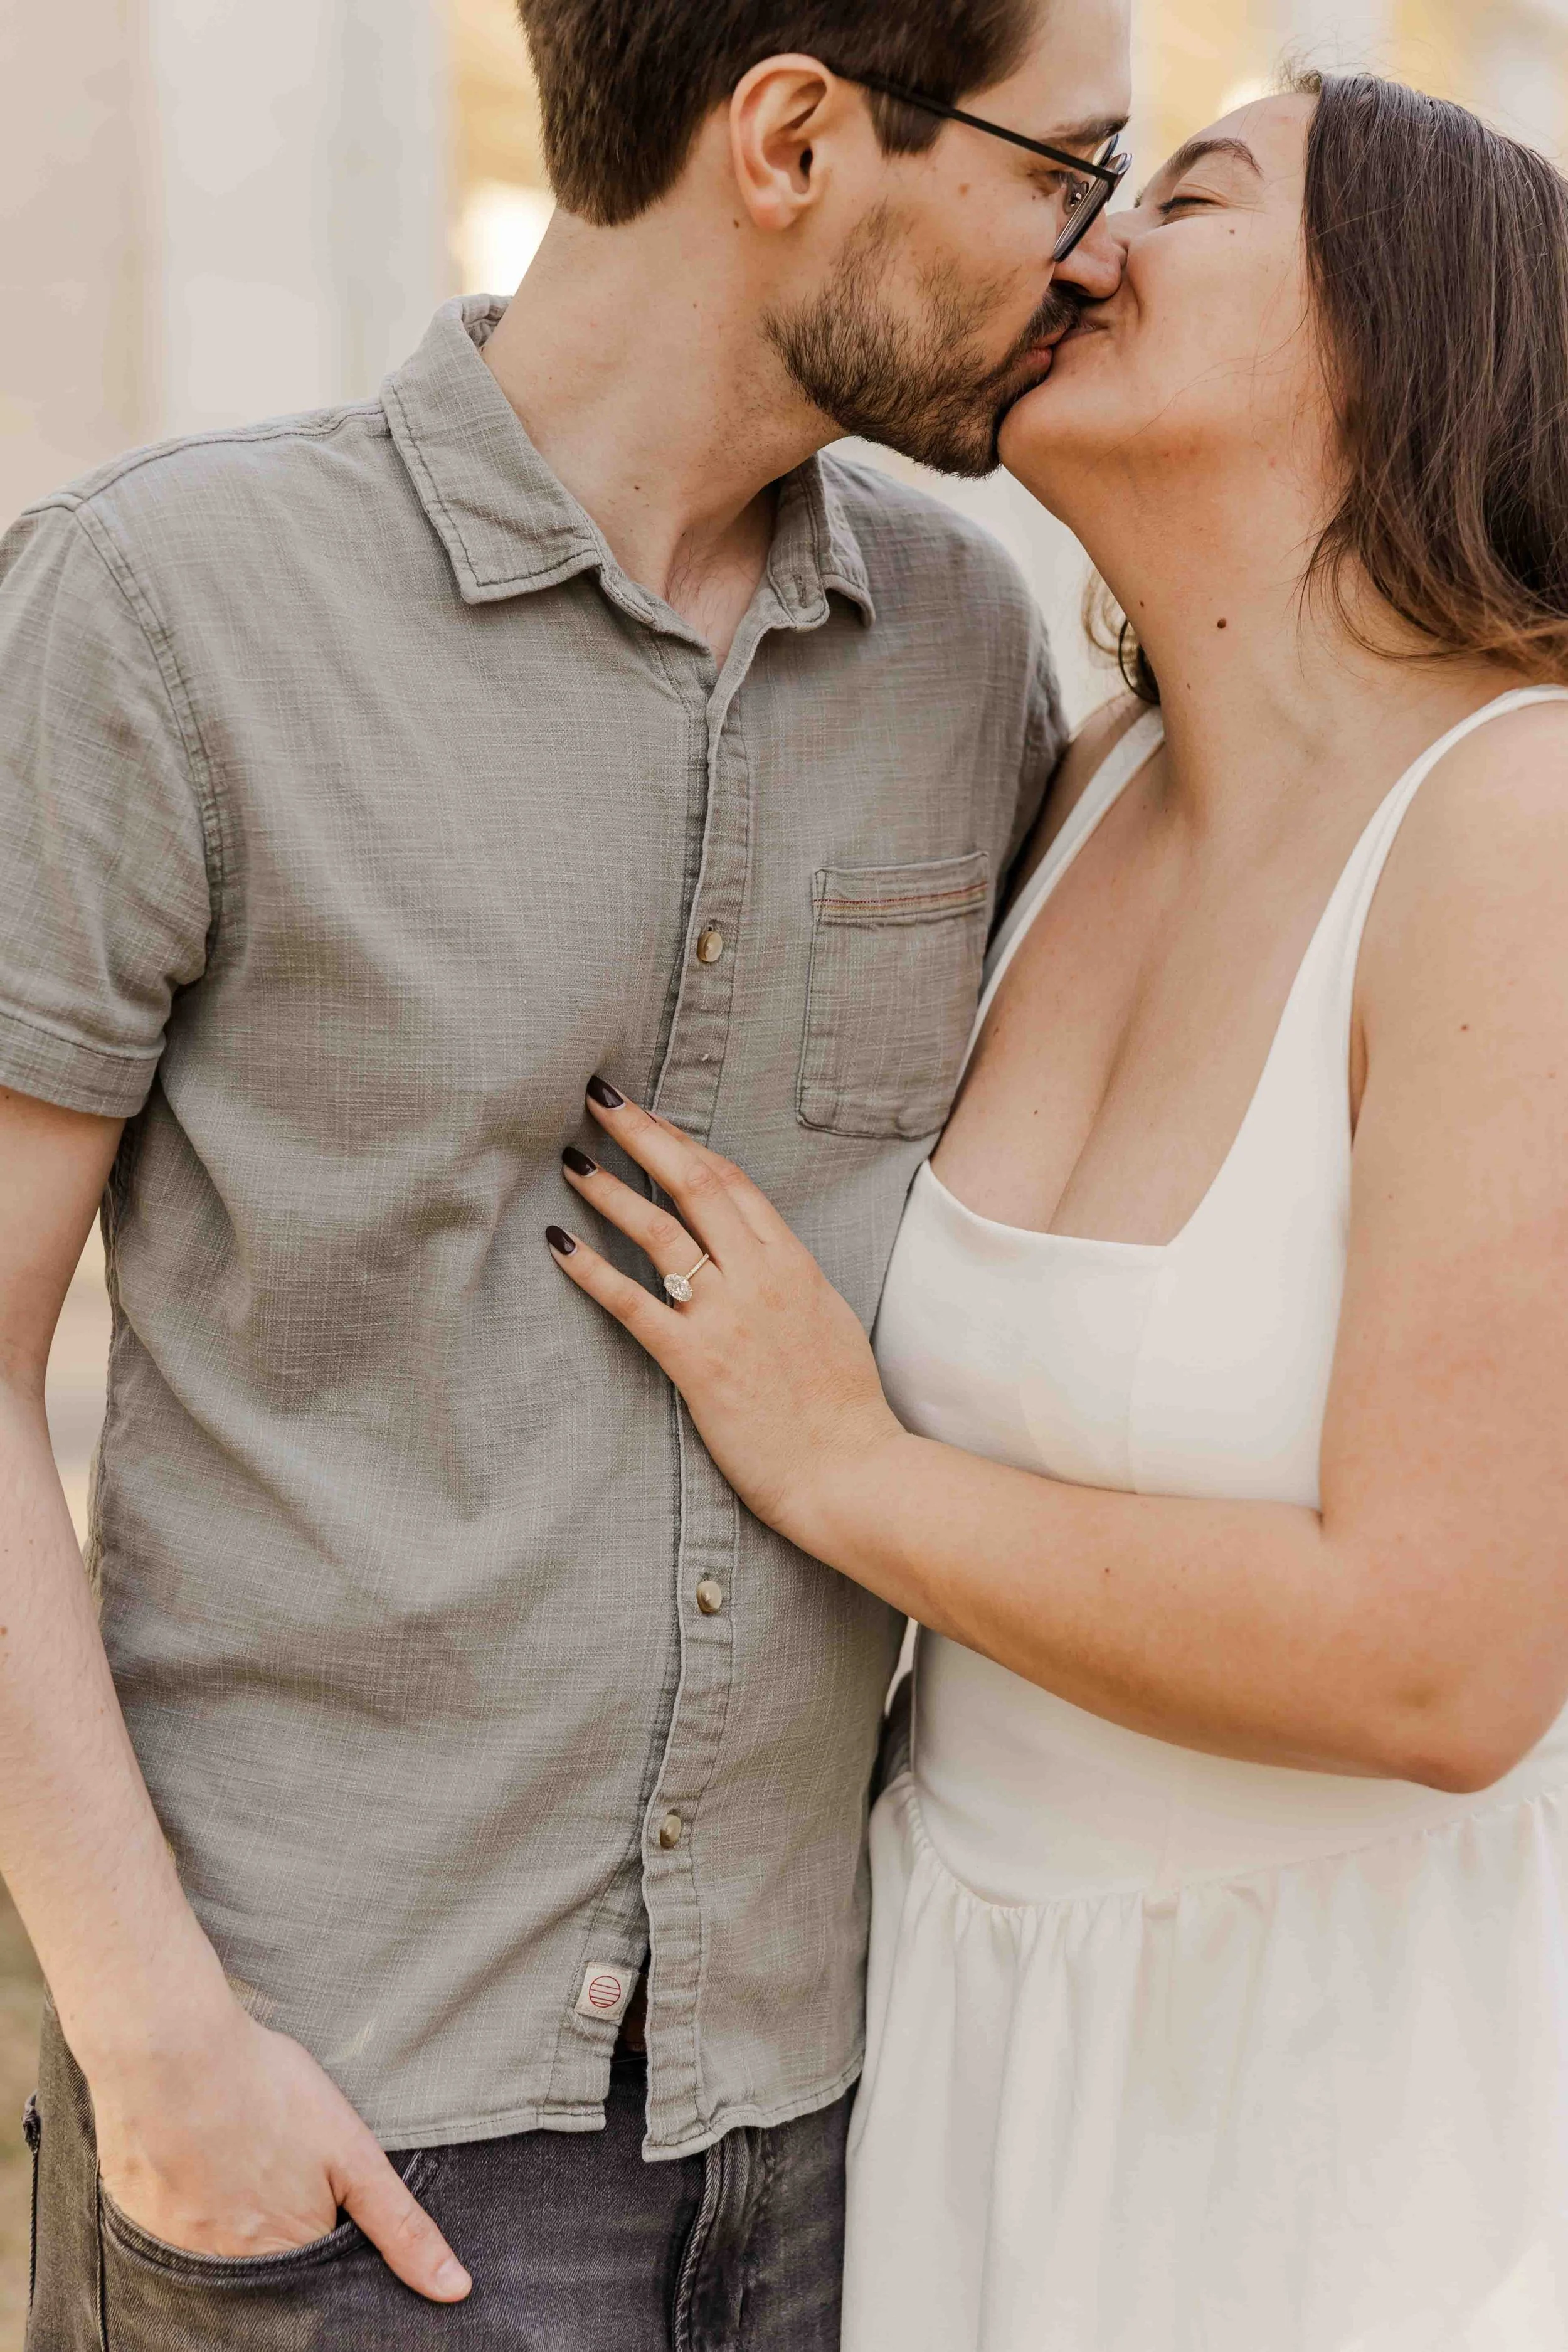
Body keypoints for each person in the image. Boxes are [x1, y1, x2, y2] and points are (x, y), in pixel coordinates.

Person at [0, 4, 1133, 2346]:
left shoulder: (965, 644)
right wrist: (157, 2040)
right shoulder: (157, 609)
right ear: (796, 138)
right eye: (1067, 167)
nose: (1092, 257)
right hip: (331, 2140)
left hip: (827, 2123)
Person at [546, 72, 1568, 2349]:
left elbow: (1444, 1657)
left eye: (1184, 196)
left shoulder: (1523, 832)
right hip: (953, 2056)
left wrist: (845, 1469)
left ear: (1407, 329)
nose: (1079, 243)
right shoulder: (1075, 778)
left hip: (1340, 2123)